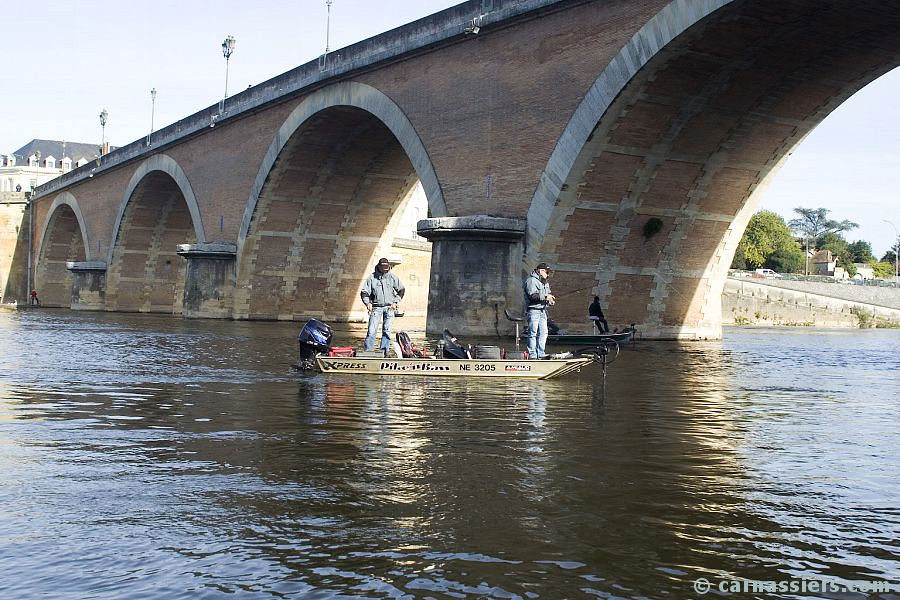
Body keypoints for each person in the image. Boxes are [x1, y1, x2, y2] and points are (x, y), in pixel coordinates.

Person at [360, 257, 405, 352]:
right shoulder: (372, 278)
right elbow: (364, 292)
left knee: (387, 331)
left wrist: (396, 302)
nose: (385, 268)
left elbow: (401, 290)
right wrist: (367, 303)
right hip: (376, 308)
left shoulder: (392, 277)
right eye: (383, 266)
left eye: (387, 266)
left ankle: (384, 351)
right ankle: (368, 351)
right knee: (372, 331)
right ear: (379, 266)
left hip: (390, 308)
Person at [522, 262, 556, 358]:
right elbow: (532, 296)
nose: (548, 274)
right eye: (547, 272)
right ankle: (532, 354)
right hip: (533, 310)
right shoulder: (531, 281)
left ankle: (540, 353)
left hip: (543, 310)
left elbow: (548, 295)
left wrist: (550, 301)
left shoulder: (545, 282)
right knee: (533, 332)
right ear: (540, 271)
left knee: (544, 332)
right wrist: (546, 297)